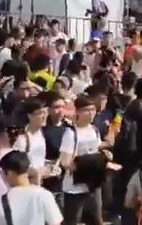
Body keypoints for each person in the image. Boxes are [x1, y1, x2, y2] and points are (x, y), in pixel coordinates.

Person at [59, 95, 105, 225]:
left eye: (93, 110)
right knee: (72, 220)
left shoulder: (95, 130)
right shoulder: (71, 133)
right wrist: (83, 166)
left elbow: (96, 150)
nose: (91, 113)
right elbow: (65, 162)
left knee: (96, 219)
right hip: (74, 187)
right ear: (78, 111)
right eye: (87, 110)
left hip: (92, 184)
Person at [0, 150, 63, 225]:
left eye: (4, 173)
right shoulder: (44, 195)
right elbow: (55, 223)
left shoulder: (1, 201)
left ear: (10, 173)